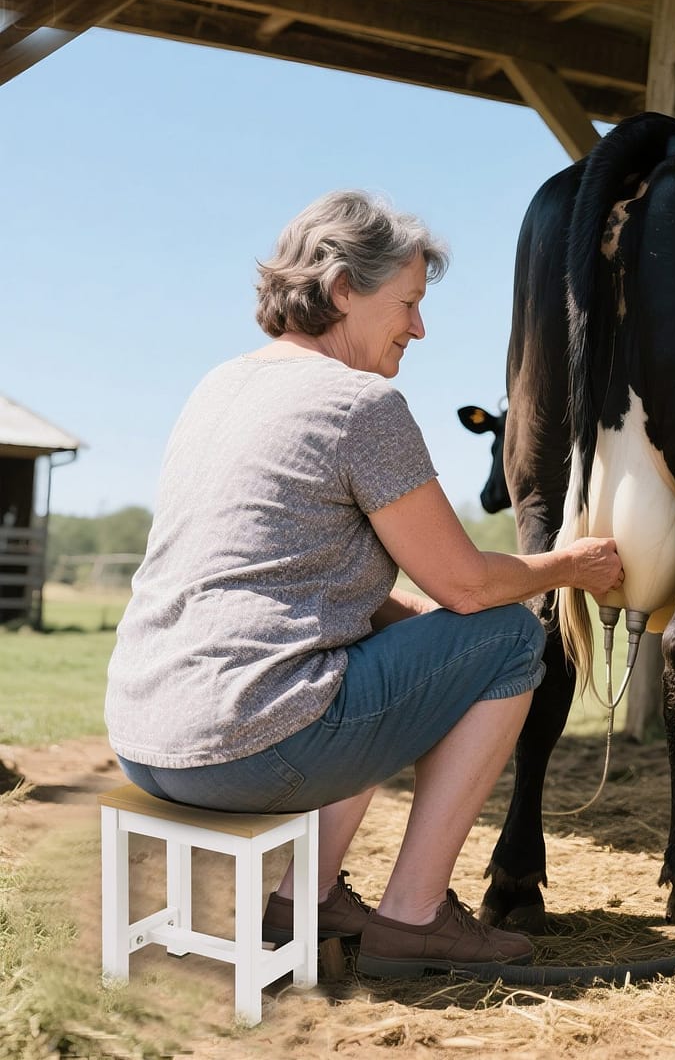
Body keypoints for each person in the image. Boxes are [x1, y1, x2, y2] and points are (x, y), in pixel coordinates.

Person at [104, 189, 624, 978]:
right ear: (344, 288)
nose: (419, 327)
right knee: (515, 637)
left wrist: (415, 617)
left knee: (382, 644)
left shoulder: (220, 387)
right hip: (250, 744)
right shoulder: (360, 403)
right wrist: (572, 563)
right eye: (408, 304)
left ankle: (301, 899)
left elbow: (268, 569)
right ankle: (413, 916)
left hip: (147, 735)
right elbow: (469, 585)